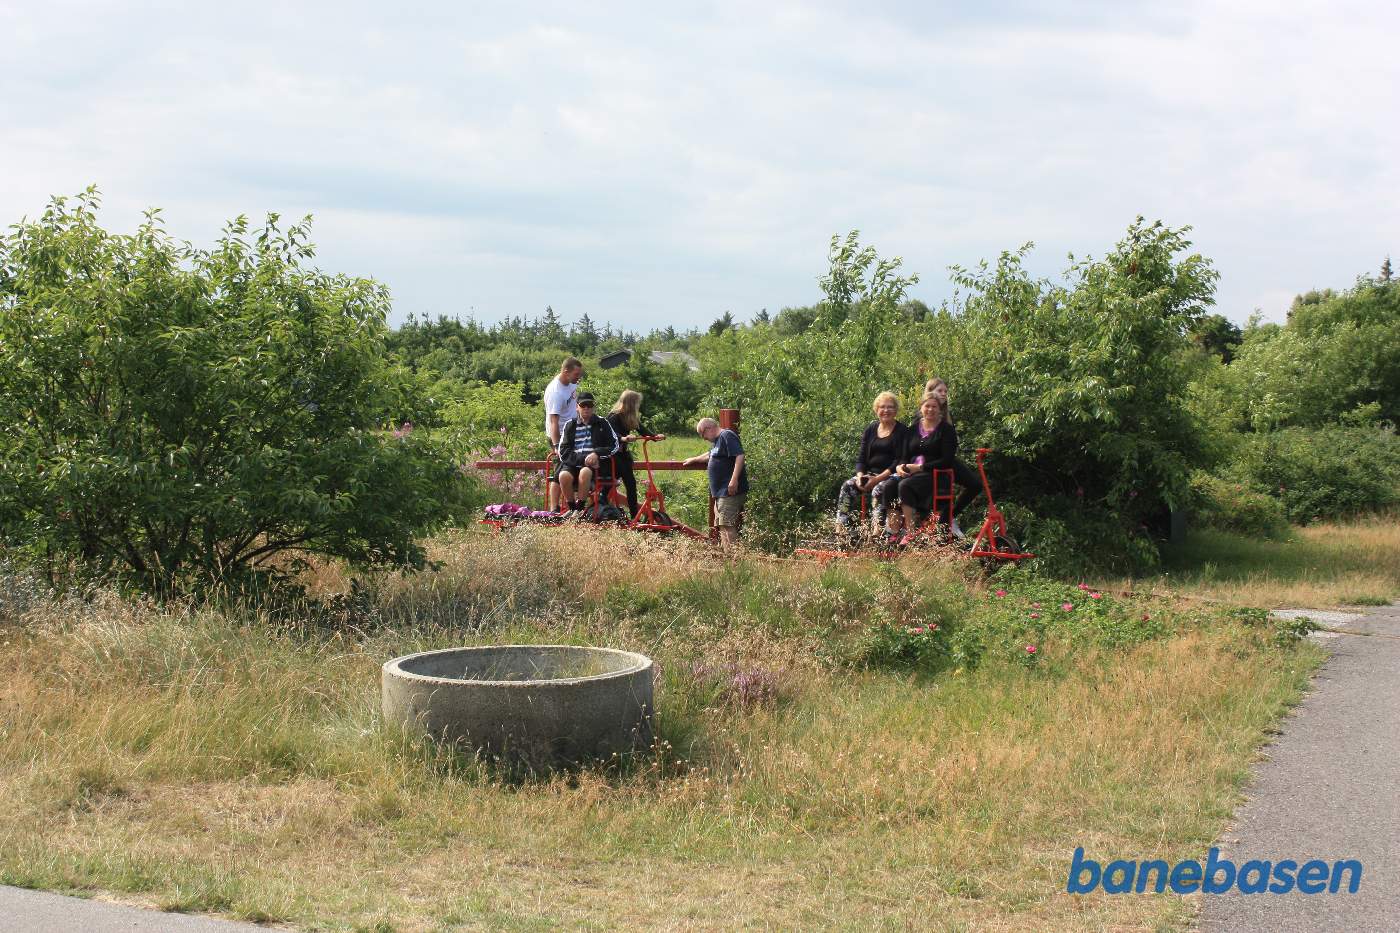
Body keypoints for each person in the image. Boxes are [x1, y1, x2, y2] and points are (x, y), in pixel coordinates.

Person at [835, 391, 908, 538]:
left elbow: (899, 460)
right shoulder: (871, 429)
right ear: (876, 410)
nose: (886, 410)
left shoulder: (902, 431)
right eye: (882, 407)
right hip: (870, 475)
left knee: (878, 489)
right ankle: (843, 530)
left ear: (896, 410)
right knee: (848, 486)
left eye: (890, 407)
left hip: (891, 476)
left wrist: (877, 479)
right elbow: (861, 458)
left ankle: (877, 532)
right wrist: (860, 476)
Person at [895, 393, 958, 545]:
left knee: (904, 486)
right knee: (888, 486)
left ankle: (911, 533)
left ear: (940, 409)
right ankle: (892, 532)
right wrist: (899, 467)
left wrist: (920, 467)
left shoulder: (947, 430)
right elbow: (904, 455)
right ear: (921, 408)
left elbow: (947, 460)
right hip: (911, 473)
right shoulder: (912, 430)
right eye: (927, 406)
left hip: (935, 474)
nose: (930, 409)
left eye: (934, 406)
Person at [924, 377, 980, 537]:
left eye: (945, 391)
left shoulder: (947, 415)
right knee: (945, 486)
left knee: (975, 485)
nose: (943, 394)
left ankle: (950, 517)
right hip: (932, 462)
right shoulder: (924, 412)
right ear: (929, 392)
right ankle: (943, 523)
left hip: (947, 459)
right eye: (939, 391)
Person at [683, 417, 747, 553]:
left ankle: (734, 561)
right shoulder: (718, 441)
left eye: (702, 434)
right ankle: (730, 558)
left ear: (708, 428)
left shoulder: (727, 435)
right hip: (721, 493)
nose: (703, 438)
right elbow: (710, 455)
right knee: (723, 525)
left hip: (729, 491)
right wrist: (694, 459)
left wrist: (733, 480)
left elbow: (740, 455)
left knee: (727, 525)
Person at [557, 392, 621, 513]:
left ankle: (580, 509)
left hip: (595, 467)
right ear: (577, 407)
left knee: (585, 472)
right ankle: (572, 509)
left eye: (589, 405)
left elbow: (614, 444)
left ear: (593, 407)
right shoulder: (570, 425)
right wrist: (584, 459)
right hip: (573, 464)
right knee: (563, 476)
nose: (586, 408)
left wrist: (596, 453)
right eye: (583, 405)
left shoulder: (602, 423)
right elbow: (563, 451)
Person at [606, 390, 666, 518]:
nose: (637, 406)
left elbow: (643, 430)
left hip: (623, 456)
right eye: (636, 403)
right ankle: (600, 506)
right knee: (608, 484)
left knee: (631, 485)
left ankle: (634, 516)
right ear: (631, 403)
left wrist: (655, 437)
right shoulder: (614, 416)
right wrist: (624, 438)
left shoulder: (630, 417)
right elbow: (611, 434)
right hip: (613, 456)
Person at [544, 357, 584, 510]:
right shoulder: (556, 392)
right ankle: (554, 509)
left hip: (573, 431)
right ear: (566, 372)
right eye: (576, 374)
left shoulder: (569, 382)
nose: (578, 377)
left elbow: (573, 397)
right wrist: (556, 446)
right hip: (560, 435)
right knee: (560, 469)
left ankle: (569, 506)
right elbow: (553, 421)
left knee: (568, 468)